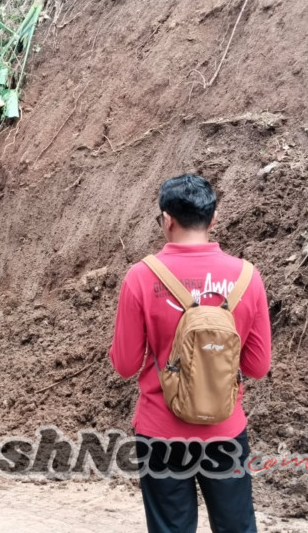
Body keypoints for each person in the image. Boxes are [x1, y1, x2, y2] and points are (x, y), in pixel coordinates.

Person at [109, 174, 272, 533]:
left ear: (166, 219)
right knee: (236, 526)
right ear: (213, 220)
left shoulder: (140, 277)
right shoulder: (248, 276)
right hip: (225, 430)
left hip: (161, 430)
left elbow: (124, 365)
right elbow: (258, 367)